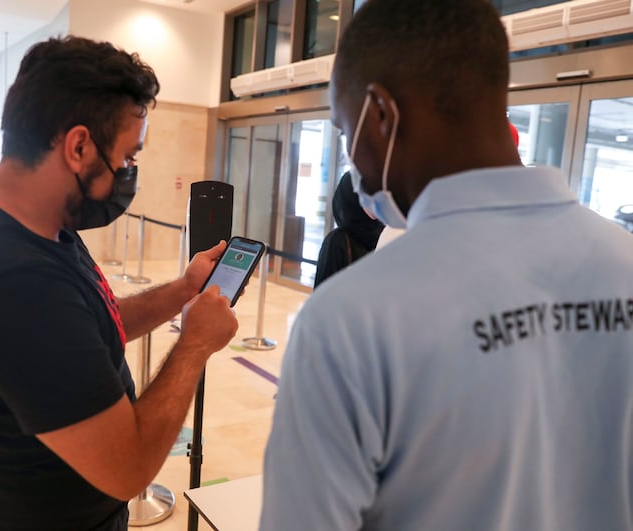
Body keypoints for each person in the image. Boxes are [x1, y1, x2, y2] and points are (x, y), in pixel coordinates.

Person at [260, 1, 633, 530]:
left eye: (346, 134)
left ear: (382, 115)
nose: (353, 163)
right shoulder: (624, 262)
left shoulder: (352, 319)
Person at [0, 36, 238, 531]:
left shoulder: (38, 226)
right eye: (129, 157)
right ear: (79, 146)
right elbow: (127, 467)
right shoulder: (15, 285)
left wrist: (182, 291)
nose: (130, 174)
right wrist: (195, 344)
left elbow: (91, 326)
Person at [313, 172, 383, 288]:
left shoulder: (384, 233)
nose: (372, 200)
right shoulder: (337, 241)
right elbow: (322, 296)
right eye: (364, 195)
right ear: (351, 197)